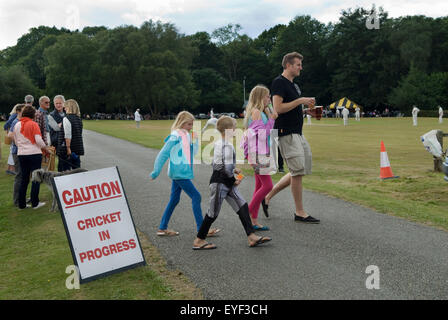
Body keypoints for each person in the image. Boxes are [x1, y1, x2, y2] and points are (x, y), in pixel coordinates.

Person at [192, 116, 272, 250]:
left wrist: (234, 170)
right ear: (228, 130)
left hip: (225, 182)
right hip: (219, 183)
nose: (236, 130)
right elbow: (223, 168)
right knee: (213, 213)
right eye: (235, 128)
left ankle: (251, 236)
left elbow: (216, 162)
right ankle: (199, 240)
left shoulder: (221, 143)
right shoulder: (225, 145)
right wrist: (234, 179)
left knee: (242, 206)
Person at [150, 111, 220, 237]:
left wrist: (195, 141)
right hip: (179, 173)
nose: (191, 126)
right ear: (181, 123)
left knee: (174, 199)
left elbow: (192, 154)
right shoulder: (176, 135)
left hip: (181, 172)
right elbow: (164, 152)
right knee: (196, 197)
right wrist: (156, 171)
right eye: (188, 124)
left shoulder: (186, 134)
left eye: (192, 124)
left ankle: (162, 228)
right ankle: (201, 229)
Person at [270, 51, 320, 224]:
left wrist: (306, 111)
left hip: (297, 132)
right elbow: (278, 108)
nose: (301, 67)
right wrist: (300, 101)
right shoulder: (279, 82)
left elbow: (291, 108)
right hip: (286, 132)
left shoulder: (294, 85)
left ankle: (267, 197)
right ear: (288, 65)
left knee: (300, 168)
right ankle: (300, 212)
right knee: (297, 171)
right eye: (298, 64)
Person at [243, 85, 277, 229]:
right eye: (267, 96)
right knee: (268, 185)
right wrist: (272, 119)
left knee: (259, 186)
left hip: (260, 152)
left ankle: (253, 220)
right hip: (258, 153)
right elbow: (262, 134)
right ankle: (247, 214)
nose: (269, 99)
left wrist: (269, 115)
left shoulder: (259, 112)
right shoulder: (256, 112)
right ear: (260, 98)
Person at [8, 105, 51, 210]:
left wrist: (21, 146)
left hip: (22, 154)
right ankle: (35, 203)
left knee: (24, 179)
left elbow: (15, 139)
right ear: (33, 114)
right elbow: (38, 140)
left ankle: (21, 204)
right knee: (36, 178)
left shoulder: (17, 124)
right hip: (34, 154)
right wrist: (46, 148)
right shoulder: (34, 124)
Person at [57, 99, 84, 170]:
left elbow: (68, 135)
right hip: (77, 147)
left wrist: (68, 148)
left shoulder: (66, 118)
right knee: (77, 170)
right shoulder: (79, 119)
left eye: (65, 106)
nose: (64, 108)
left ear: (69, 107)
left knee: (65, 171)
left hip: (68, 149)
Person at [8, 104, 25, 207]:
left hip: (21, 152)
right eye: (23, 111)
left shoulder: (21, 121)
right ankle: (17, 200)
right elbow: (10, 135)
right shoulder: (16, 122)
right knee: (19, 176)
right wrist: (19, 144)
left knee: (23, 176)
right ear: (18, 111)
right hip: (17, 152)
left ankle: (21, 197)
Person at [48, 95, 66, 171]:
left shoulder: (68, 113)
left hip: (67, 140)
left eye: (60, 103)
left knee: (68, 162)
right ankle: (60, 178)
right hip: (57, 141)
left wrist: (60, 124)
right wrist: (65, 124)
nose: (58, 105)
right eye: (56, 103)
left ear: (64, 103)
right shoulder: (51, 115)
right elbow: (56, 128)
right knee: (61, 161)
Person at [4, 104, 20, 175]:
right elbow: (6, 125)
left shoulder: (13, 115)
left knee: (12, 151)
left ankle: (10, 169)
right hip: (13, 135)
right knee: (12, 152)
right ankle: (11, 169)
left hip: (13, 134)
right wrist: (9, 129)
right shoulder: (14, 115)